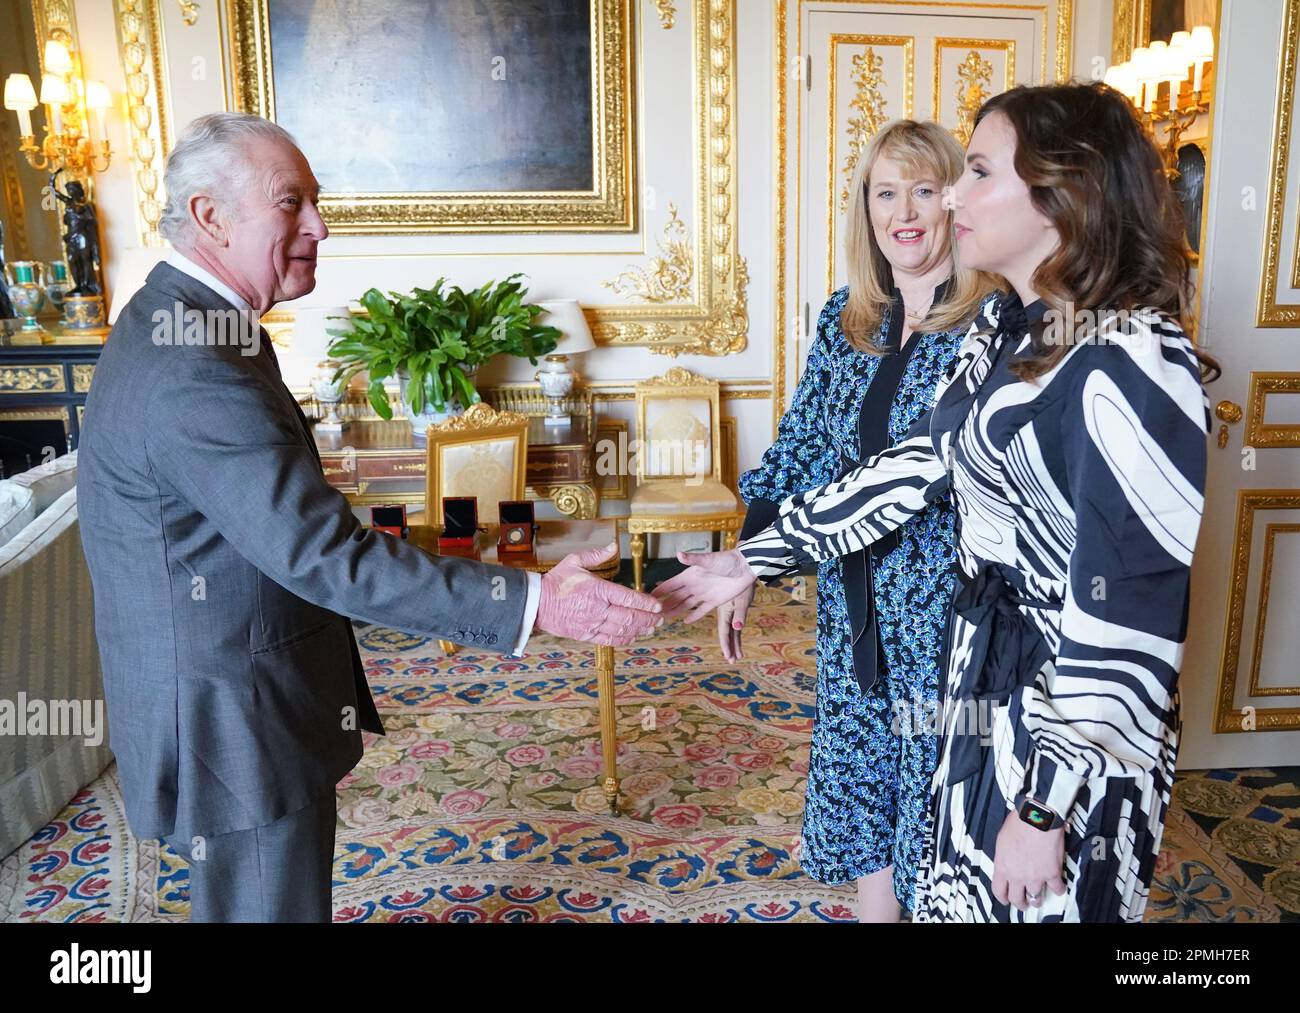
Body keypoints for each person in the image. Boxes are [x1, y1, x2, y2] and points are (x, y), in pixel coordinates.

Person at [77, 112, 663, 923]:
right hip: (232, 714)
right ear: (210, 216)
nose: (319, 225)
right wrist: (534, 601)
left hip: (235, 694)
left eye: (316, 201)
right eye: (292, 203)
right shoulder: (191, 365)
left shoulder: (195, 324)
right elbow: (324, 553)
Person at [653, 82, 1215, 923]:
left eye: (977, 170)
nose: (950, 195)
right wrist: (751, 557)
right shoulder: (1015, 332)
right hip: (977, 674)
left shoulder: (1135, 358)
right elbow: (909, 467)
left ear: (1066, 189)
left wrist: (1041, 807)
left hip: (1062, 715)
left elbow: (1126, 624)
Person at [728, 119, 996, 921]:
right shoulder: (850, 317)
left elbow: (922, 471)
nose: (902, 211)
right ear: (866, 208)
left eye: (922, 189)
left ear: (954, 200)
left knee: (938, 825)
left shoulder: (992, 322)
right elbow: (802, 444)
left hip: (948, 625)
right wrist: (753, 556)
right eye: (885, 192)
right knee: (868, 806)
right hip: (855, 616)